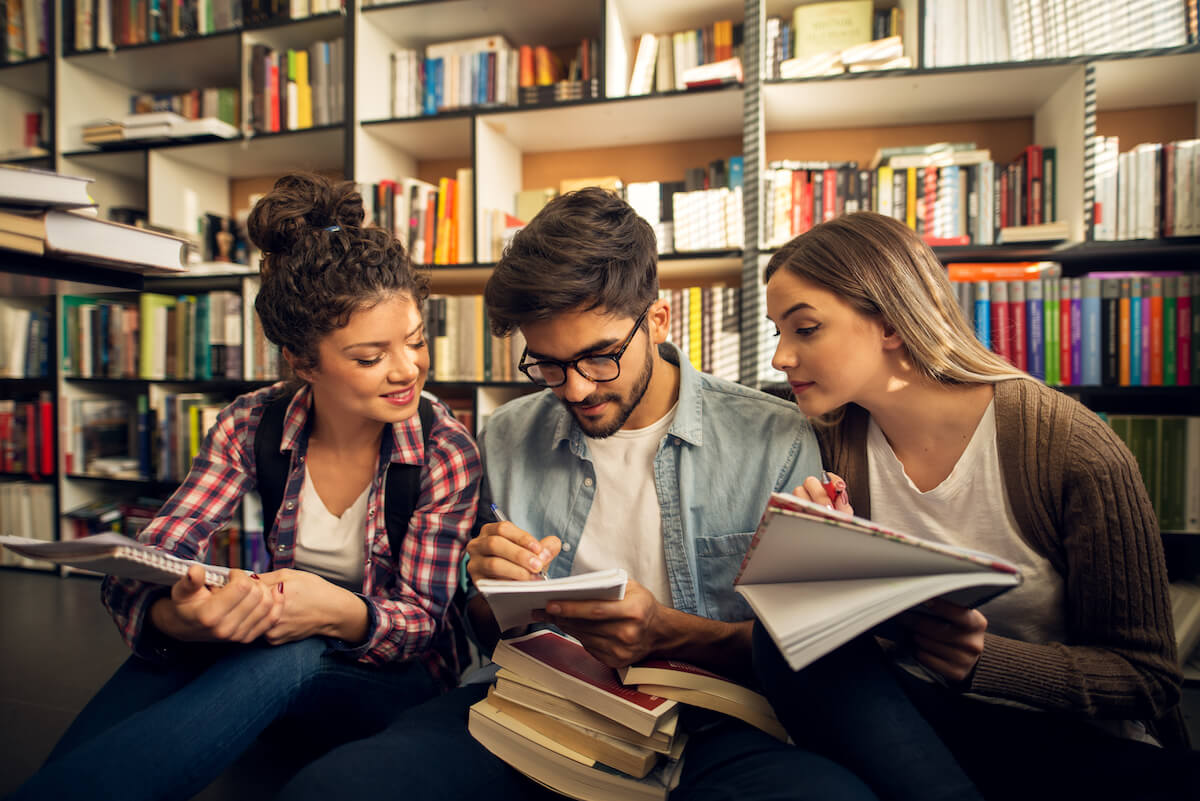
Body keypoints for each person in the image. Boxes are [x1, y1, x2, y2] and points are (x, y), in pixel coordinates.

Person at [278, 187, 880, 801]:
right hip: (535, 706)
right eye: (547, 364)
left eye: (598, 358)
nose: (574, 390)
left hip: (713, 726)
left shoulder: (775, 437)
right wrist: (487, 588)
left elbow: (800, 651)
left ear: (658, 320)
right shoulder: (509, 434)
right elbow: (486, 629)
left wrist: (666, 633)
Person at [8, 173, 481, 801]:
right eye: (370, 358)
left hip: (393, 680)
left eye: (417, 342)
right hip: (279, 646)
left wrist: (332, 609)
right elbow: (158, 551)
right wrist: (180, 619)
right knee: (181, 648)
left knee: (289, 649)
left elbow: (422, 626)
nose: (407, 370)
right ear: (302, 361)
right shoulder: (250, 422)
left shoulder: (445, 451)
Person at [754, 210, 1195, 801]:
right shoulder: (830, 436)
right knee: (782, 634)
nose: (781, 357)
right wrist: (820, 556)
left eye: (804, 330)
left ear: (889, 324)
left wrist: (984, 660)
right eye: (776, 332)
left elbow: (1149, 678)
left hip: (1069, 740)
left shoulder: (1072, 449)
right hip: (917, 720)